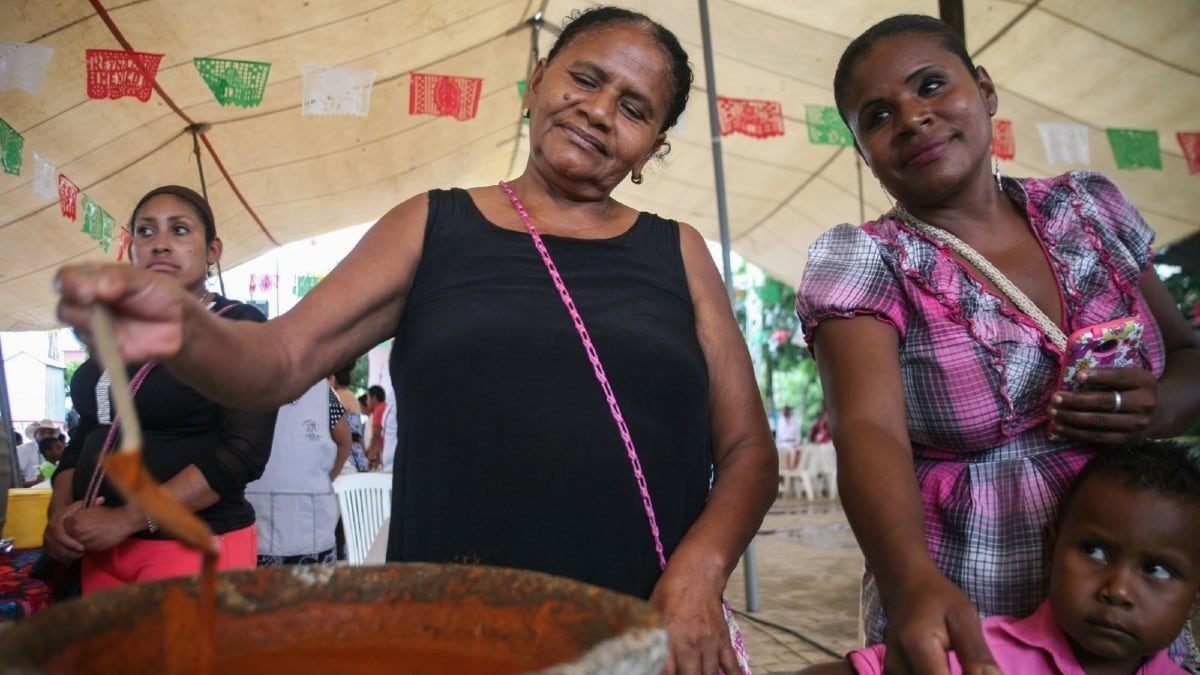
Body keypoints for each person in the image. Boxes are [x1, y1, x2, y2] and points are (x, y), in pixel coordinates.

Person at [55, 7, 778, 673]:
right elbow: (276, 361)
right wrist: (186, 328)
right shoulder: (431, 226)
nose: (597, 109)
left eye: (633, 107)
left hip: (643, 627)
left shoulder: (677, 252)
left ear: (651, 147)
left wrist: (701, 570)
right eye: (584, 78)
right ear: (534, 85)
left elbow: (748, 448)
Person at [794, 14, 1200, 674]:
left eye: (932, 85)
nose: (913, 118)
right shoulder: (868, 259)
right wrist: (908, 580)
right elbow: (869, 429)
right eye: (877, 116)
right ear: (863, 152)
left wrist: (1154, 409)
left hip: (1131, 602)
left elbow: (1188, 355)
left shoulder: (1088, 209)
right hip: (969, 602)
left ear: (984, 90)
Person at [44, 185, 277, 595]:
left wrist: (128, 519)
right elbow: (87, 434)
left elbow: (243, 453)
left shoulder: (236, 328)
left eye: (180, 231)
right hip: (97, 550)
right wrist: (60, 515)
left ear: (212, 251)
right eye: (146, 233)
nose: (161, 245)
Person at [800, 440, 1200, 675]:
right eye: (1094, 551)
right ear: (1051, 550)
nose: (1118, 590)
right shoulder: (984, 657)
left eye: (1157, 570)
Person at [246, 379, 351, 566]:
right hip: (263, 526)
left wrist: (325, 480)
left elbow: (344, 442)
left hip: (312, 531)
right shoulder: (245, 380)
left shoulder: (321, 389)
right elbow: (345, 442)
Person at [329, 364, 368, 473]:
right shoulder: (353, 398)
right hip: (358, 453)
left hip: (345, 456)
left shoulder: (334, 397)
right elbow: (359, 434)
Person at [17, 420, 58, 488]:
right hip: (30, 493)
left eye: (50, 433)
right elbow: (15, 478)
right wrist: (35, 482)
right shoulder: (25, 449)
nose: (46, 436)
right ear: (35, 434)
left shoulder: (56, 450)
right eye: (42, 432)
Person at [365, 384, 386, 471]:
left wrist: (371, 456)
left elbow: (376, 435)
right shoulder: (386, 407)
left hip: (383, 454)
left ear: (374, 398)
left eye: (368, 398)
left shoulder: (379, 410)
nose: (367, 402)